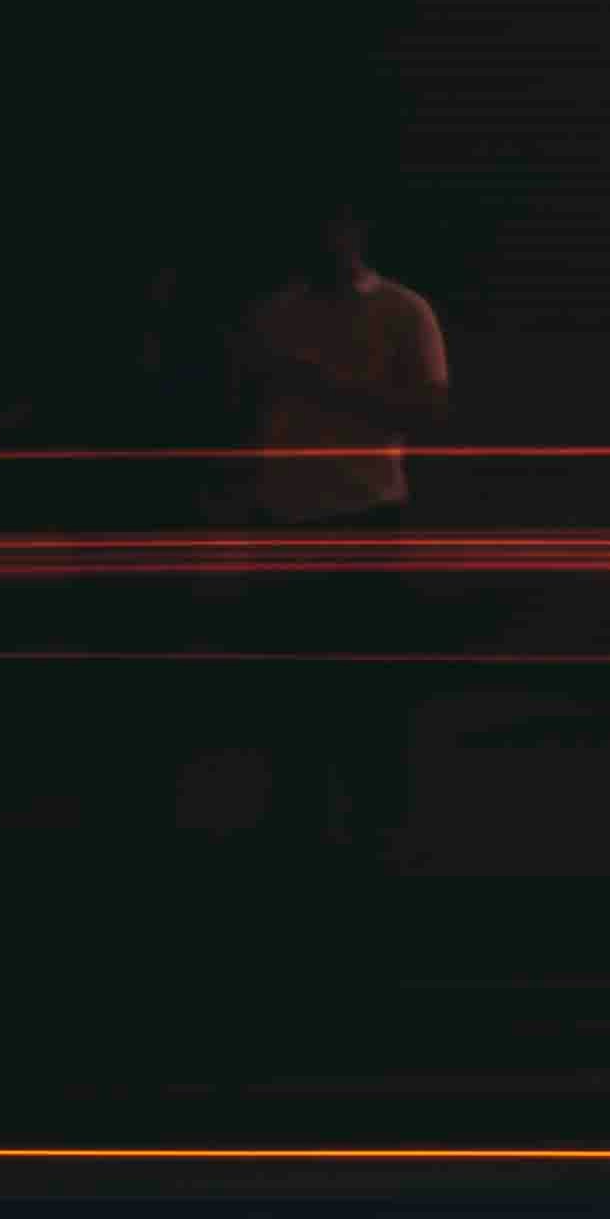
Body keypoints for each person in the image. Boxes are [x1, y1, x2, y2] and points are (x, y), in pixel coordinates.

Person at [228, 196, 446, 856]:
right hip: (285, 513)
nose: (325, 238)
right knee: (292, 681)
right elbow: (241, 406)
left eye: (335, 224)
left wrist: (318, 384)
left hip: (364, 513)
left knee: (366, 679)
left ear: (358, 230)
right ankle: (302, 815)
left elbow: (428, 411)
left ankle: (373, 819)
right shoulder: (272, 313)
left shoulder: (403, 310)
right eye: (314, 226)